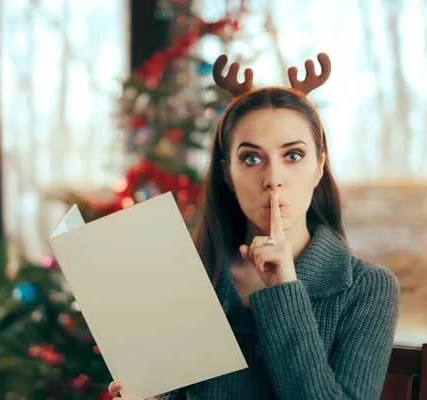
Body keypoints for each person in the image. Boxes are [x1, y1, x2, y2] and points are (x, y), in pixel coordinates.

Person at [107, 52, 400, 400]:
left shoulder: (368, 287)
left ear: (320, 166)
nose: (273, 179)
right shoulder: (192, 274)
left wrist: (284, 290)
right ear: (228, 174)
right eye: (251, 158)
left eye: (293, 156)